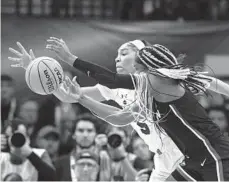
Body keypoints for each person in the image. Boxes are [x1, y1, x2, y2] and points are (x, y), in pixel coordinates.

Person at [47, 40, 229, 181]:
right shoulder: (150, 91)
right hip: (192, 160)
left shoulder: (156, 81)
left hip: (216, 154)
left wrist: (69, 59)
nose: (119, 59)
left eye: (127, 55)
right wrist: (81, 98)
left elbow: (112, 80)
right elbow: (120, 117)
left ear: (145, 62)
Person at [8, 40, 185, 181]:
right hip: (161, 156)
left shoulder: (151, 84)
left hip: (180, 151)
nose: (117, 58)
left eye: (124, 53)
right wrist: (36, 72)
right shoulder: (116, 88)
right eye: (116, 54)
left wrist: (81, 97)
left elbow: (121, 118)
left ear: (142, 58)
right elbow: (68, 96)